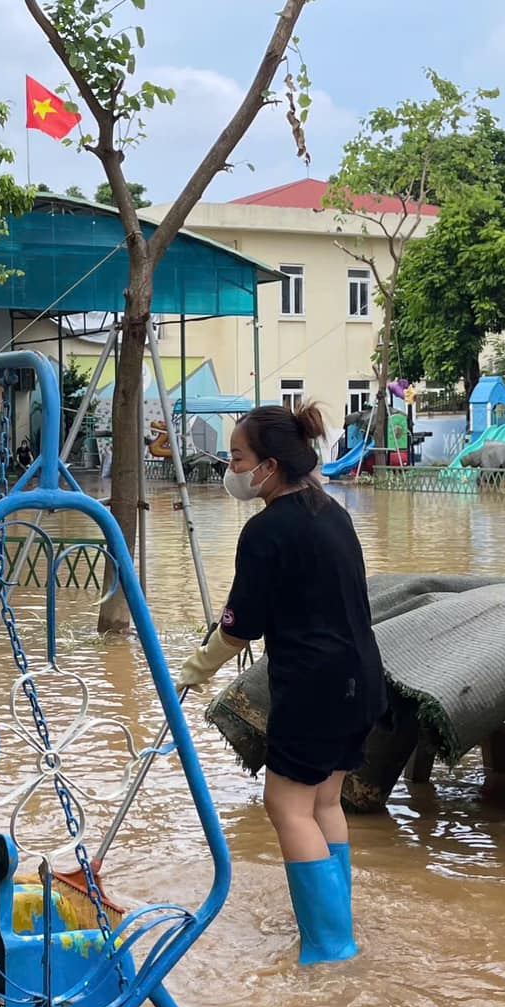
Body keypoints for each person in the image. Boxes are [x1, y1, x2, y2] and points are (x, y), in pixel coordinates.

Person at [174, 403, 383, 964]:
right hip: (360, 678)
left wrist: (195, 669)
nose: (232, 467)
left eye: (238, 457)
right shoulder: (330, 511)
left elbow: (240, 627)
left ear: (268, 466)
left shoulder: (267, 529)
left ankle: (329, 947)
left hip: (314, 689)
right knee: (324, 801)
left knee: (286, 805)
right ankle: (335, 927)